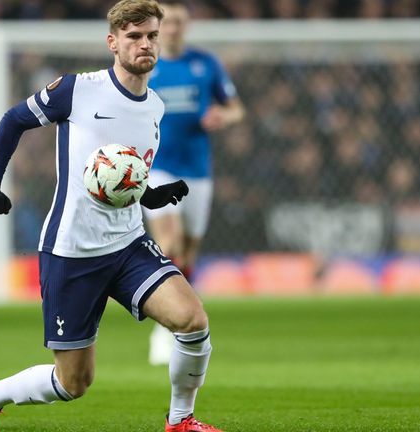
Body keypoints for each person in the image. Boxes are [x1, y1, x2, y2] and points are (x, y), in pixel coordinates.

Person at [0, 1, 222, 431]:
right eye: (134, 36)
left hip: (128, 244)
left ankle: (181, 420)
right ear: (113, 42)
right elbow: (13, 120)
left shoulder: (155, 107)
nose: (145, 44)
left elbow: (123, 176)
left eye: (152, 36)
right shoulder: (77, 89)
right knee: (73, 383)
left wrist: (151, 194)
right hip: (72, 250)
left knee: (192, 320)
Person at [144, 0, 245, 366]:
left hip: (198, 170)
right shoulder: (146, 64)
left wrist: (224, 115)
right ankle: (162, 328)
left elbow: (236, 108)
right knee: (168, 242)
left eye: (180, 23)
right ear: (159, 25)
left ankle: (179, 318)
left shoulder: (205, 64)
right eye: (168, 23)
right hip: (157, 168)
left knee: (187, 251)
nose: (174, 29)